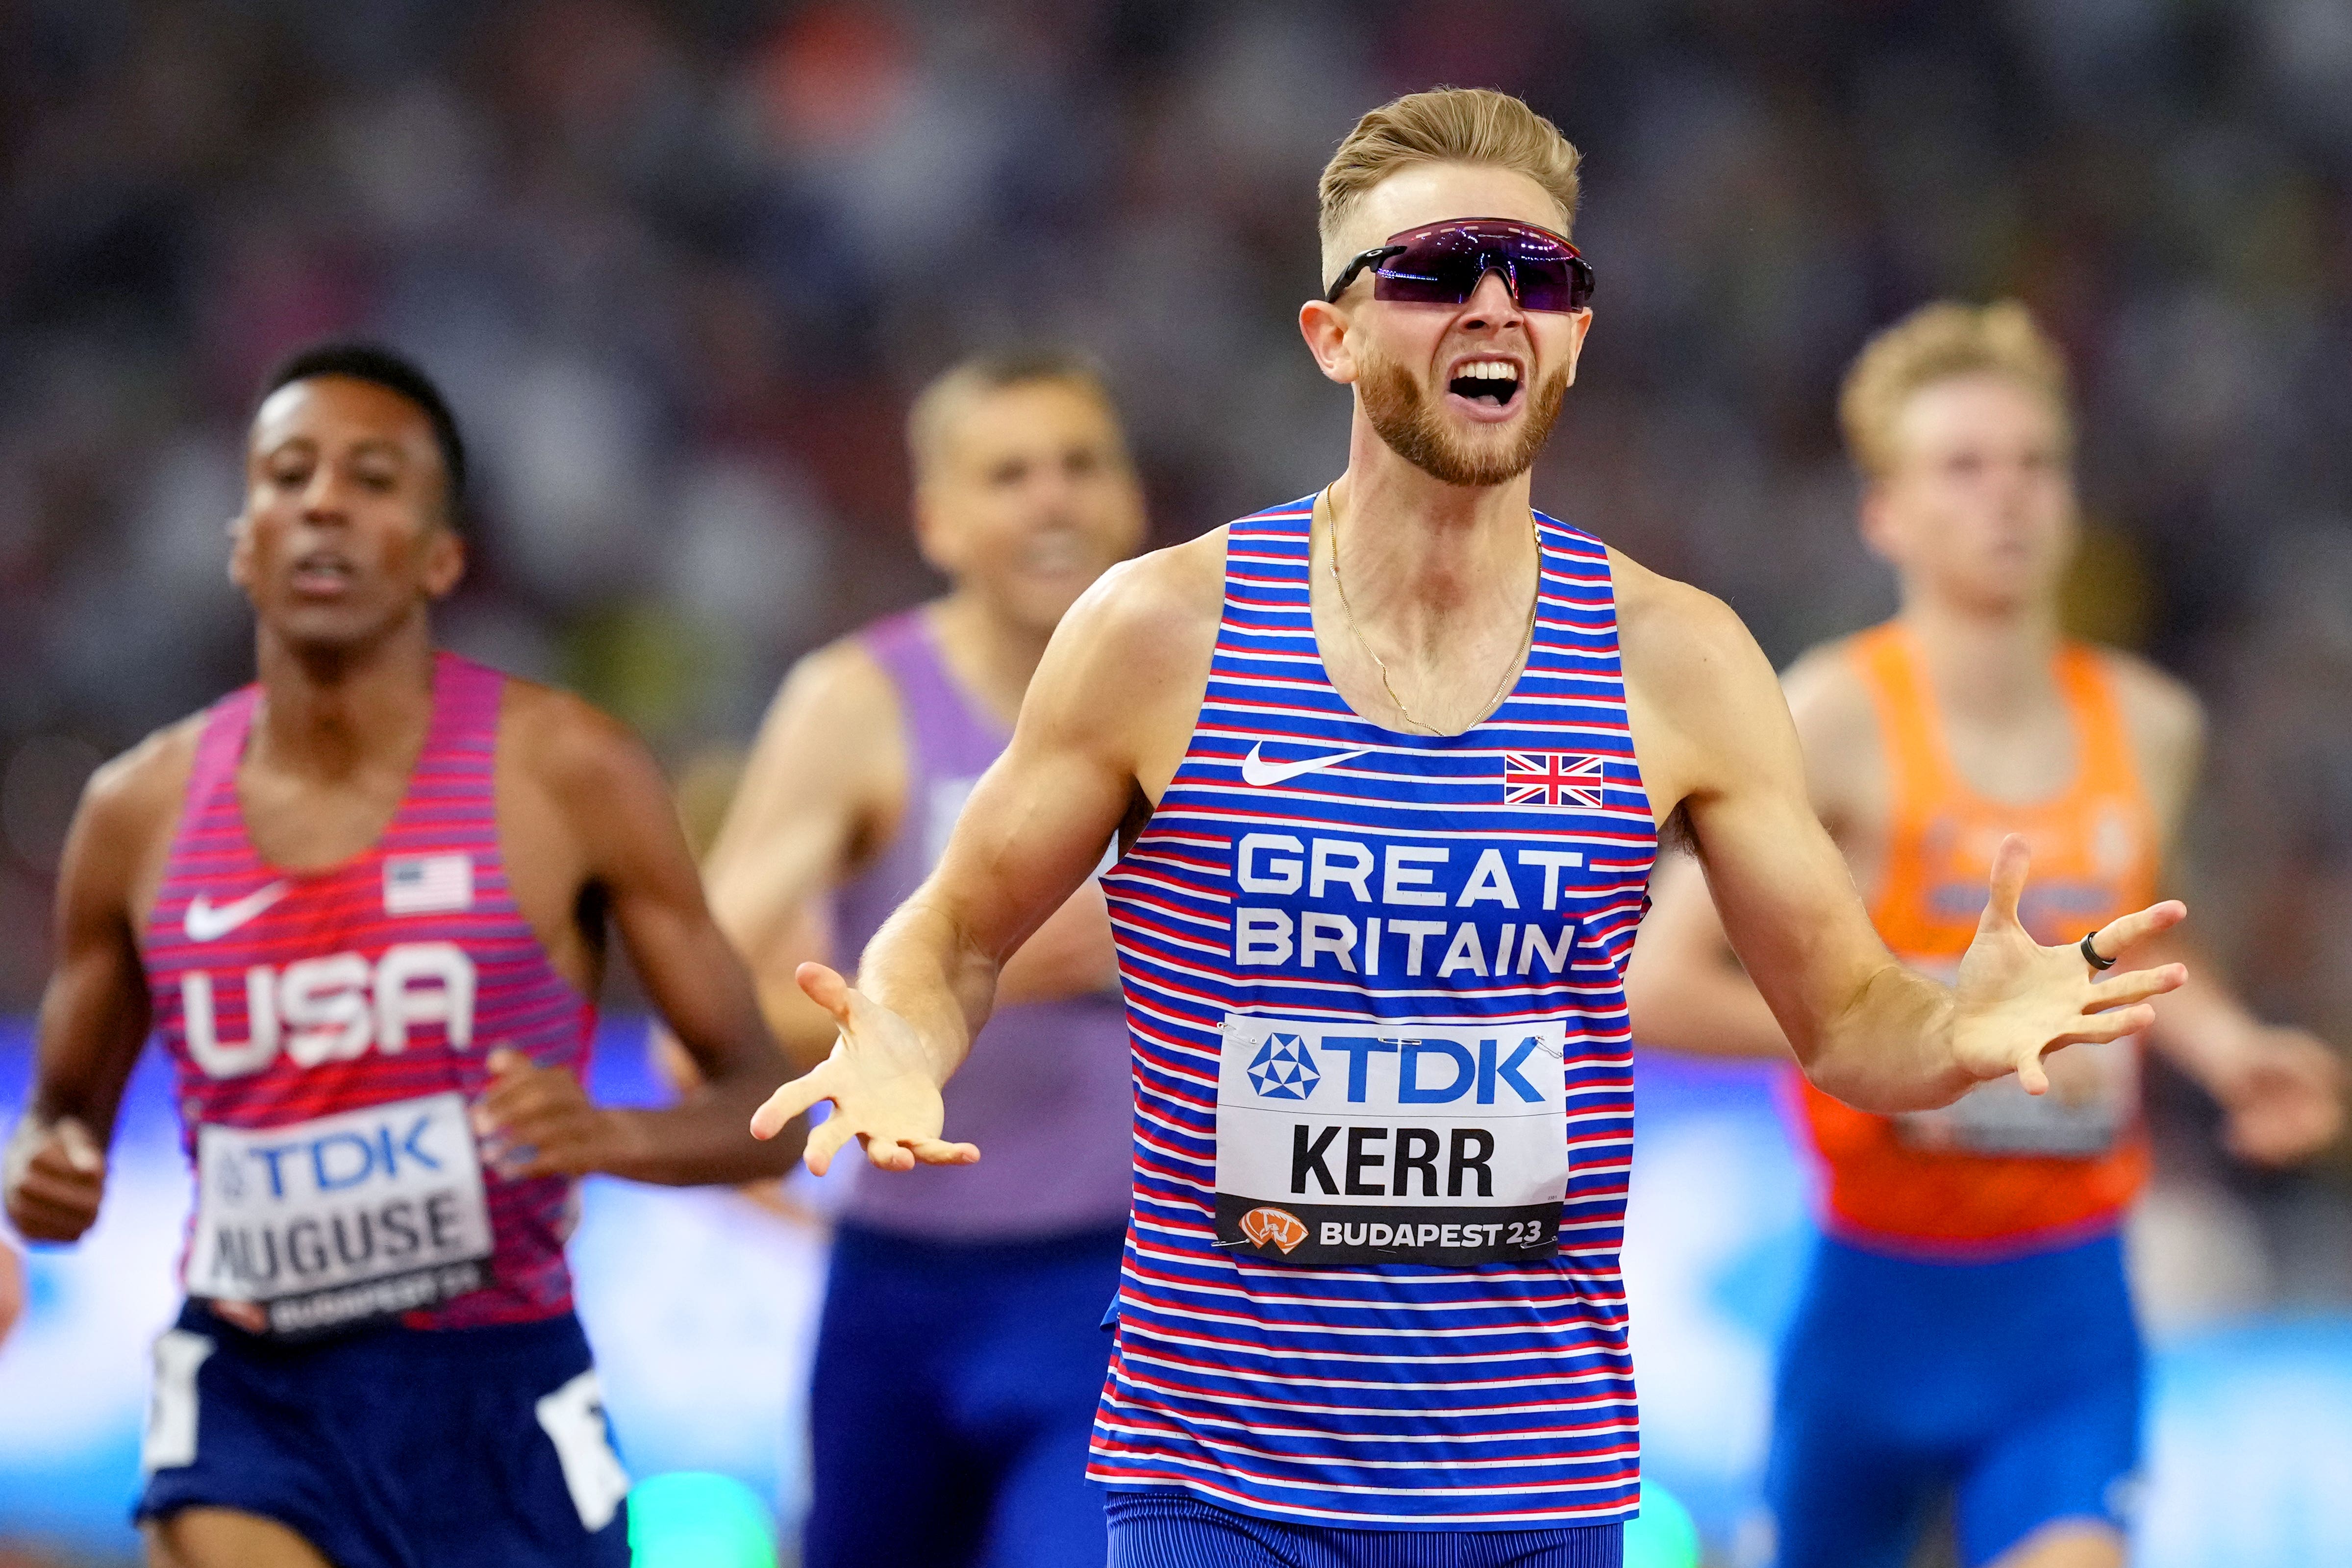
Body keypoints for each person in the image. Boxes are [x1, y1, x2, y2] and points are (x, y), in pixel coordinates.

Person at [747, 89, 2189, 1565]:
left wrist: (1956, 1022)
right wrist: (902, 1034)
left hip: (1533, 1496)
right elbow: (959, 931)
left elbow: (1845, 1022)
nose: (1493, 305)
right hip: (1214, 1490)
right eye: (1435, 272)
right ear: (1332, 335)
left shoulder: (1673, 659)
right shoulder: (1158, 632)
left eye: (1540, 277)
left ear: (1572, 334)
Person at [0, 343, 805, 1568]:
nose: (324, 500)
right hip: (250, 1392)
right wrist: (47, 1170)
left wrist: (608, 1134)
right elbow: (61, 1126)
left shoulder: (568, 775)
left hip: (502, 1390)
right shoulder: (135, 812)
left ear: (441, 556)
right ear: (242, 541)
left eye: (372, 477)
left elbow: (772, 1107)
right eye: (288, 474)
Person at [1624, 302, 2344, 1568]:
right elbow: (1659, 984)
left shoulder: (2148, 724)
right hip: (1870, 1292)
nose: (2004, 498)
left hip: (2062, 1304)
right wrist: (1899, 1035)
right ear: (1883, 514)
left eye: (2032, 465)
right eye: (1961, 467)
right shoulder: (1829, 714)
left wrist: (2229, 1050)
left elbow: (2137, 937)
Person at [695, 348, 1145, 1567]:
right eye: (1008, 475)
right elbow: (706, 992)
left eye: (1078, 466)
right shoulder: (857, 704)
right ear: (936, 520)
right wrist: (943, 988)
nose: (1051, 500)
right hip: (898, 1284)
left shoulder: (1206, 697)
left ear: (1129, 499)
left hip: (1124, 1272)